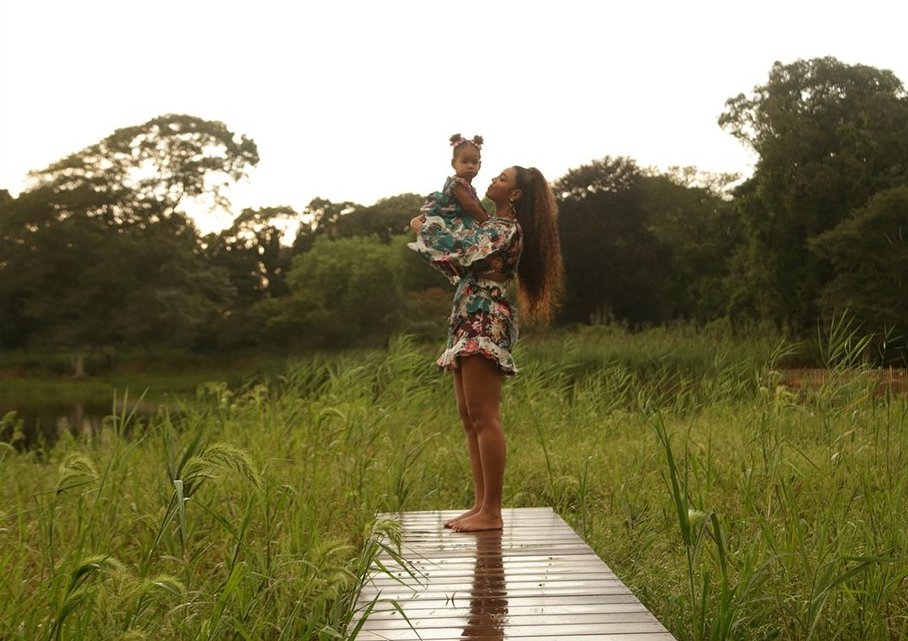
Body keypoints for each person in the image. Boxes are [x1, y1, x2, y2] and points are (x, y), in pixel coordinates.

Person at [410, 165, 564, 532]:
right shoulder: (487, 227)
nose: (493, 180)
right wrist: (431, 230)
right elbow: (457, 265)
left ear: (515, 195)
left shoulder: (505, 229)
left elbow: (462, 253)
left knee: (484, 414)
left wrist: (424, 229)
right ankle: (481, 506)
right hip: (467, 312)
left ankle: (492, 511)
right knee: (469, 416)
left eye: (503, 179)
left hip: (485, 317)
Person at [409, 134, 490, 284]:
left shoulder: (468, 185)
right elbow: (470, 206)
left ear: (480, 165)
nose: (470, 166)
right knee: (453, 244)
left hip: (461, 219)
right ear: (454, 163)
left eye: (474, 162)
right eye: (464, 161)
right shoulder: (457, 183)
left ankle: (465, 267)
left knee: (468, 246)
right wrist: (488, 222)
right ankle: (457, 266)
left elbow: (476, 205)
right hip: (449, 218)